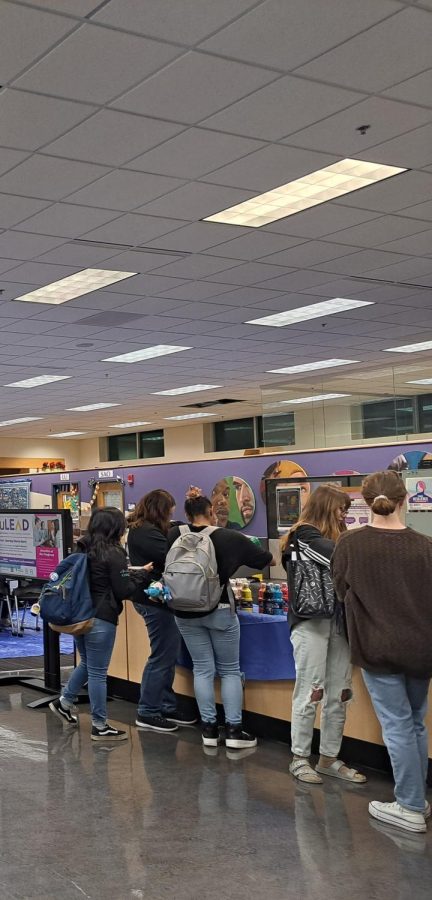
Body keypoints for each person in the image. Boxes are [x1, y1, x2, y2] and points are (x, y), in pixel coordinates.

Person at [332, 470, 432, 833]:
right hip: (422, 648)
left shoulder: (350, 543)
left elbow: (341, 591)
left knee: (397, 726)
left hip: (376, 646)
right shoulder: (426, 546)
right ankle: (417, 799)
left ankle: (408, 807)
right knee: (415, 723)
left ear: (363, 500)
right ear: (405, 500)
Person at [168, 487, 274, 749]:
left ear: (186, 513)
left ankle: (209, 730)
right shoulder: (229, 537)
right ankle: (235, 731)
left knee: (202, 668)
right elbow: (265, 559)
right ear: (212, 512)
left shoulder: (173, 534)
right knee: (228, 670)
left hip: (183, 610)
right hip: (220, 609)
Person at [281, 484, 366, 785]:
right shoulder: (303, 536)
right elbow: (338, 559)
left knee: (339, 693)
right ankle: (300, 757)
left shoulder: (337, 538)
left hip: (340, 624)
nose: (344, 513)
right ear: (327, 507)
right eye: (341, 508)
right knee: (311, 690)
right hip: (311, 622)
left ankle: (329, 757)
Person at [49, 507, 153, 741]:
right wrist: (142, 575)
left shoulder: (83, 548)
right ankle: (100, 724)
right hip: (102, 618)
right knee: (98, 672)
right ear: (116, 528)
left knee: (87, 663)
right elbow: (123, 589)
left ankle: (65, 702)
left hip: (80, 615)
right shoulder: (114, 553)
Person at [128, 489, 196, 733]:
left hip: (152, 598)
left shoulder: (142, 528)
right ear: (161, 510)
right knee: (161, 656)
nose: (172, 515)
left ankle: (166, 705)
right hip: (153, 600)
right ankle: (148, 711)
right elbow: (173, 556)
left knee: (166, 654)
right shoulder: (147, 533)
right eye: (169, 510)